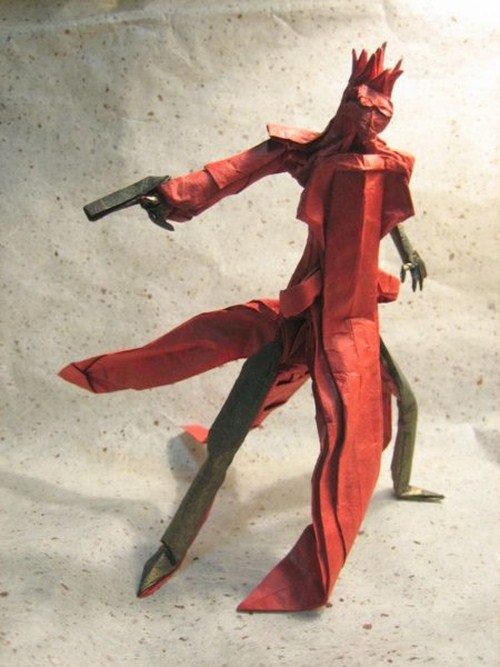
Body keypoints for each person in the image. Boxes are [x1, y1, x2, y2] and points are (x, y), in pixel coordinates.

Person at [60, 44, 442, 612]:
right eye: (362, 109)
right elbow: (237, 170)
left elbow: (386, 214)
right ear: (346, 106)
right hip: (304, 321)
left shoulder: (389, 164)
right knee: (224, 443)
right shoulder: (307, 155)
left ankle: (402, 484)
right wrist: (172, 192)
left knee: (404, 401)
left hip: (358, 320)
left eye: (380, 114)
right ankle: (170, 549)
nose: (370, 122)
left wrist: (409, 251)